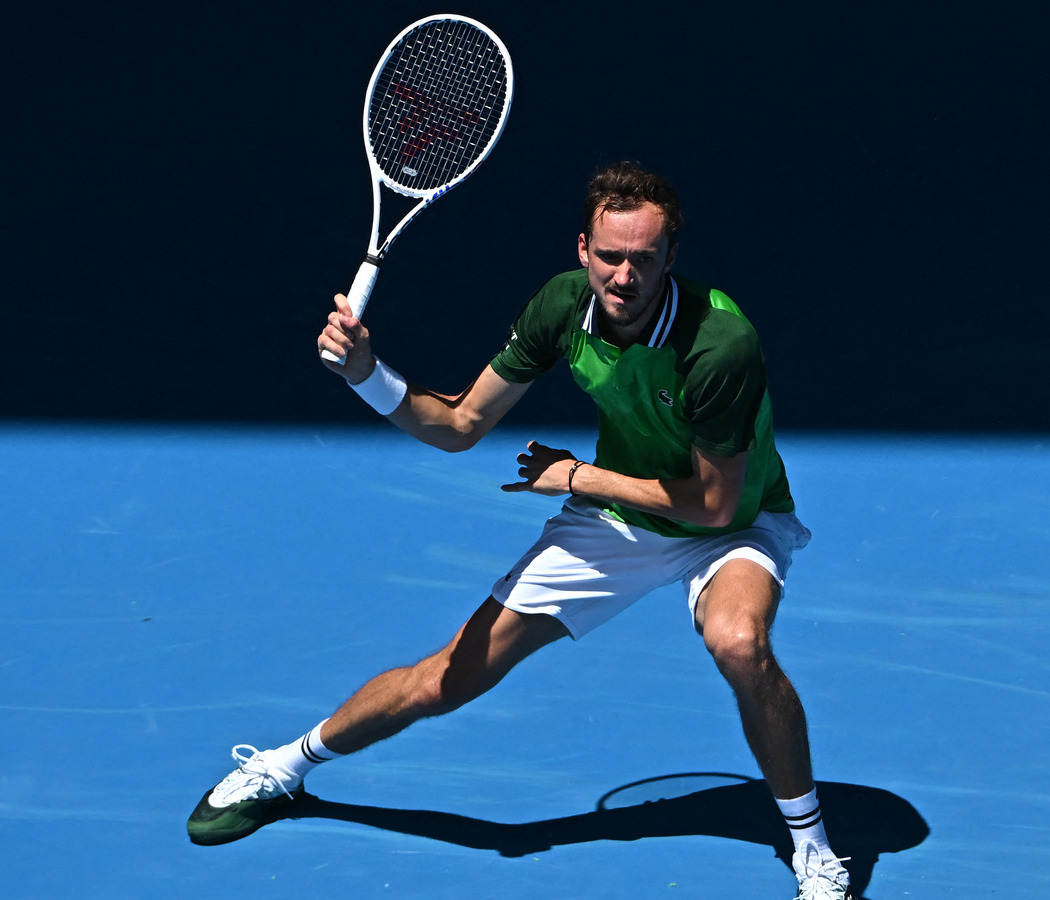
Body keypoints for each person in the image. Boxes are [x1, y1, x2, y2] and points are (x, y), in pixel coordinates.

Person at [186, 162, 854, 899]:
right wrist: (368, 375)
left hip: (733, 519)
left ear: (670, 260)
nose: (624, 276)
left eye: (643, 259)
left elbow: (712, 508)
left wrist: (576, 477)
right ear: (582, 250)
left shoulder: (719, 346)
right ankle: (286, 765)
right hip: (623, 522)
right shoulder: (562, 308)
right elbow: (460, 424)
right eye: (610, 256)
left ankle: (814, 849)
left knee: (738, 641)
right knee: (447, 681)